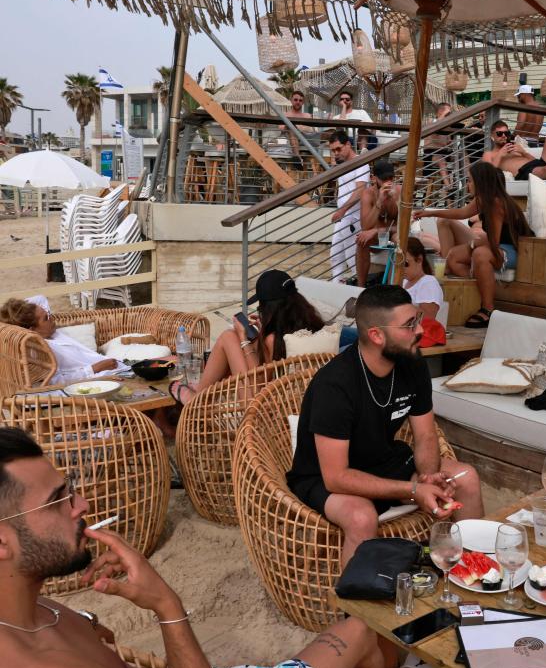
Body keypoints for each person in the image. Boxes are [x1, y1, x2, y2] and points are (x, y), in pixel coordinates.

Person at [0, 426, 393, 668]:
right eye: (58, 501)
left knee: (358, 657)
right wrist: (165, 604)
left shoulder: (39, 612)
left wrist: (92, 638)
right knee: (361, 634)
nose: (82, 504)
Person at [286, 285, 483, 568]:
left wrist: (428, 479)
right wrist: (413, 490)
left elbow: (426, 434)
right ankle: (356, 610)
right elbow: (336, 477)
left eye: (417, 319)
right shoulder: (335, 385)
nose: (419, 331)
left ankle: (476, 574)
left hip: (383, 459)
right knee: (361, 517)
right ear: (376, 335)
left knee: (467, 477)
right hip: (322, 475)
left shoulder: (410, 362)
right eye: (408, 325)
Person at [169, 270, 326, 403]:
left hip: (259, 404)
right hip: (291, 399)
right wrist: (260, 333)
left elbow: (259, 380)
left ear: (269, 307)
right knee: (234, 338)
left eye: (261, 307)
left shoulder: (273, 339)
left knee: (229, 337)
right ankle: (205, 391)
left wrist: (244, 338)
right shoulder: (310, 325)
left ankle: (195, 400)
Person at [412, 162, 534, 328]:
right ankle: (479, 284)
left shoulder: (497, 203)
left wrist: (472, 245)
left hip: (514, 250)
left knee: (480, 254)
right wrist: (430, 212)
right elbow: (460, 213)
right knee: (452, 257)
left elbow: (494, 241)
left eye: (470, 180)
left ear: (480, 181)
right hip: (496, 246)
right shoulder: (483, 200)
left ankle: (488, 309)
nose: (468, 184)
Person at [0, 296, 125, 385]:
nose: (52, 318)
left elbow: (40, 298)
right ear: (32, 330)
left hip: (118, 366)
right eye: (46, 318)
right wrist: (94, 369)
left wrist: (16, 310)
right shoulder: (39, 351)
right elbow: (55, 381)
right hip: (107, 376)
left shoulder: (51, 333)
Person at [328, 131, 370, 282]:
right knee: (335, 255)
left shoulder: (361, 162)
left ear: (348, 145)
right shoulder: (342, 164)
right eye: (333, 150)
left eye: (338, 149)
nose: (335, 153)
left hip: (353, 217)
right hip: (344, 216)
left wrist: (342, 210)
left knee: (352, 258)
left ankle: (360, 291)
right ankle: (336, 286)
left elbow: (360, 190)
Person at [355, 160, 402, 286]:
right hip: (377, 239)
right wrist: (380, 201)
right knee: (361, 241)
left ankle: (394, 286)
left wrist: (377, 230)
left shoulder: (399, 191)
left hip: (392, 234)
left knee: (400, 240)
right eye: (384, 179)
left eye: (391, 178)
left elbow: (403, 227)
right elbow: (365, 226)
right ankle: (360, 288)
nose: (388, 182)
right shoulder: (368, 194)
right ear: (374, 178)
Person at [513, 85, 546, 167]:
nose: (518, 98)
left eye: (519, 96)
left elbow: (521, 124)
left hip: (524, 143)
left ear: (524, 94)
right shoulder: (540, 109)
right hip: (535, 142)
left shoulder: (524, 108)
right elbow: (539, 126)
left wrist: (512, 136)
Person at [402, 238, 443, 321]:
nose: (401, 268)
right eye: (398, 263)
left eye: (405, 263)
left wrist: (399, 305)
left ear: (419, 259)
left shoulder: (428, 283)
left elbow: (428, 318)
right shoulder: (404, 281)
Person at [423, 103, 454, 197]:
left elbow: (448, 142)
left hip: (444, 153)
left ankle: (465, 184)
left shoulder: (446, 126)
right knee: (441, 160)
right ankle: (449, 188)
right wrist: (444, 116)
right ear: (440, 111)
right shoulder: (431, 121)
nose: (450, 115)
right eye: (448, 113)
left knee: (461, 156)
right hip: (431, 154)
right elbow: (435, 129)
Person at [285, 89, 323, 158]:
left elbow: (314, 129)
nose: (298, 102)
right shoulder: (286, 115)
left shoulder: (308, 115)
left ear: (303, 102)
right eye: (295, 100)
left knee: (332, 131)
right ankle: (298, 159)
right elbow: (281, 128)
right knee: (291, 129)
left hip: (310, 139)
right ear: (291, 100)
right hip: (295, 139)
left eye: (300, 100)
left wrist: (299, 128)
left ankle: (334, 164)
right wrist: (304, 128)